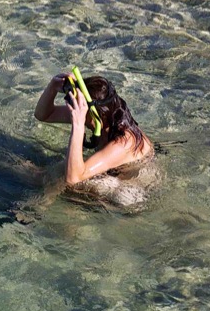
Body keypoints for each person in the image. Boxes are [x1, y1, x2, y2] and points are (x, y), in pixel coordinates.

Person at [31, 72, 157, 210]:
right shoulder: (106, 115)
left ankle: (39, 206)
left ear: (96, 114)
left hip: (130, 193)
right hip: (116, 173)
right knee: (59, 170)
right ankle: (41, 194)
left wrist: (78, 125)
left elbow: (73, 179)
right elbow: (43, 115)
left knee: (61, 174)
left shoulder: (123, 144)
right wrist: (52, 87)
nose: (73, 106)